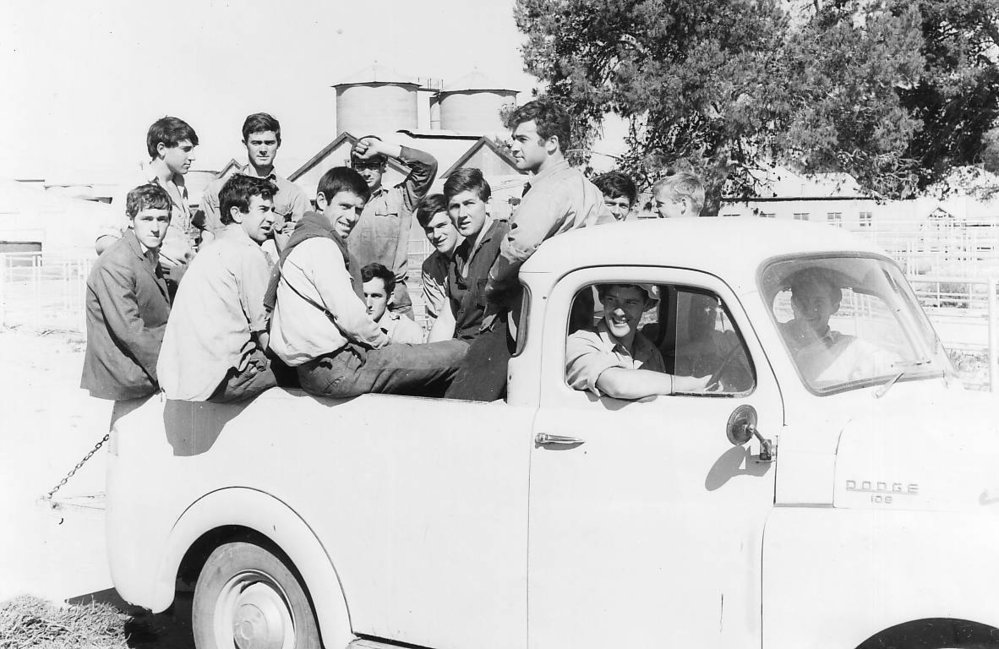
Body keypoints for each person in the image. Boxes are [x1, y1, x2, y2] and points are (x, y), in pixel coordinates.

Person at [445, 97, 611, 400]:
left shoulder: (550, 187)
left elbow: (518, 244)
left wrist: (494, 285)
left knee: (462, 403)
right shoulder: (588, 188)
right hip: (571, 314)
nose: (514, 147)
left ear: (552, 143)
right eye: (513, 140)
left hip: (522, 316)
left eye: (522, 139)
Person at [267, 167, 467, 398]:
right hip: (337, 368)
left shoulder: (303, 240)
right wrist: (386, 343)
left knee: (422, 359)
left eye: (358, 210)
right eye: (344, 206)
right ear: (321, 201)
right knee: (458, 352)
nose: (352, 217)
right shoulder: (322, 246)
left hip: (315, 369)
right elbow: (352, 319)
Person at [157, 175, 279, 402]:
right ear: (237, 213)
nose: (272, 218)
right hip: (223, 380)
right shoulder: (248, 253)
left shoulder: (211, 250)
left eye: (272, 210)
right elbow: (265, 333)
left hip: (181, 379)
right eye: (263, 209)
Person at [82, 184, 173, 422]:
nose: (155, 228)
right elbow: (130, 331)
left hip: (140, 364)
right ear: (130, 220)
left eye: (162, 219)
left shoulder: (145, 253)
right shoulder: (117, 262)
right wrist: (171, 369)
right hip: (129, 372)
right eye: (147, 218)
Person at [97, 117, 200, 288]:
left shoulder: (180, 185)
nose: (193, 157)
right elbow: (105, 241)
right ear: (161, 149)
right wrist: (150, 261)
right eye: (186, 149)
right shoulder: (135, 184)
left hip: (184, 282)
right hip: (153, 281)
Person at [566, 284, 708, 400]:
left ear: (646, 305)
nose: (619, 312)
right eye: (611, 300)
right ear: (602, 300)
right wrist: (694, 383)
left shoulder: (650, 351)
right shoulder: (579, 343)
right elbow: (617, 385)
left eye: (630, 302)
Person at [348, 135, 438, 318]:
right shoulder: (341, 206)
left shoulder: (401, 198)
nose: (366, 172)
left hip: (395, 303)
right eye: (360, 166)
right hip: (352, 299)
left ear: (384, 166)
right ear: (352, 168)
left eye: (373, 165)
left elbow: (428, 165)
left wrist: (382, 147)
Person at [199, 112, 309, 256]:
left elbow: (304, 246)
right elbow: (206, 240)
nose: (263, 150)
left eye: (269, 143)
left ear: (279, 143)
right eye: (256, 143)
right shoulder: (217, 189)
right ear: (245, 144)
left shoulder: (293, 194)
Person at [428, 168, 509, 344]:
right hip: (460, 349)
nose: (462, 214)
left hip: (489, 351)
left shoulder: (504, 241)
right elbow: (446, 319)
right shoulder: (459, 255)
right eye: (455, 207)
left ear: (488, 203)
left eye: (469, 203)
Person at [416, 193, 460, 327]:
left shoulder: (478, 252)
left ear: (455, 221)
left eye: (441, 225)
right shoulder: (430, 268)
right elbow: (438, 318)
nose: (436, 235)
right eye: (429, 229)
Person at [361, 263, 424, 344]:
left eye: (375, 296)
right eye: (364, 296)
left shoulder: (408, 332)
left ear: (390, 298)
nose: (368, 304)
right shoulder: (351, 328)